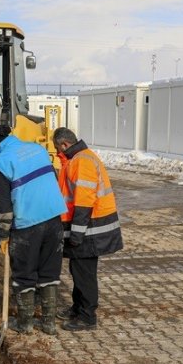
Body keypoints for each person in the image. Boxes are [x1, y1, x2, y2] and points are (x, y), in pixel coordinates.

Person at [0, 125, 67, 335]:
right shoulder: (37, 149)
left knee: (24, 274)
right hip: (54, 216)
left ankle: (25, 324)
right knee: (49, 271)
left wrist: (1, 235)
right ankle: (48, 324)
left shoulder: (0, 162)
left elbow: (3, 205)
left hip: (28, 223)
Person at [52, 127, 124, 331]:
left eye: (58, 149)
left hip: (91, 228)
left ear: (65, 144)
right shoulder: (78, 159)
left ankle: (87, 316)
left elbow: (84, 201)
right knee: (78, 270)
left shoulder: (82, 161)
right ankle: (78, 308)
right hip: (88, 227)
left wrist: (76, 233)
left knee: (85, 273)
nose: (58, 153)